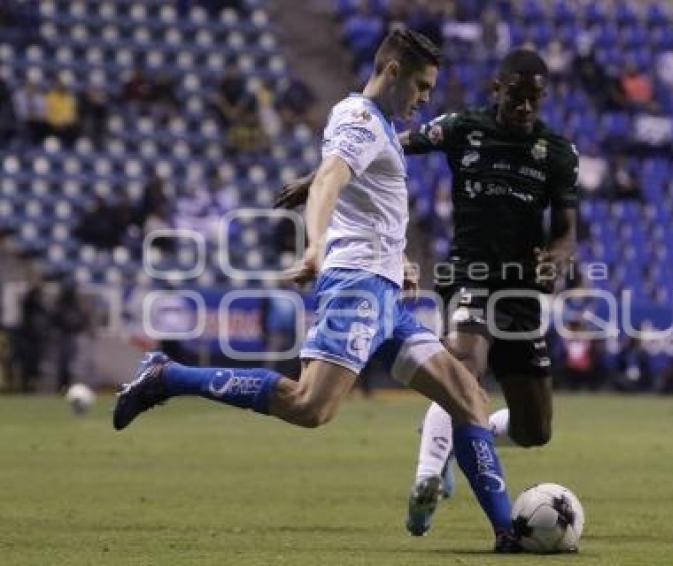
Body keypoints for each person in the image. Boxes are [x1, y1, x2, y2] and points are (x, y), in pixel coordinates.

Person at [113, 29, 521, 552]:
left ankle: (507, 534)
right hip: (355, 287)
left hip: (383, 292)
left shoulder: (382, 128)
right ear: (392, 72)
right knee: (310, 406)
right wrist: (317, 243)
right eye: (421, 84)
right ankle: (167, 376)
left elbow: (363, 199)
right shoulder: (359, 119)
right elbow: (331, 178)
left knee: (469, 397)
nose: (425, 97)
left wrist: (396, 261)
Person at [276, 48, 580, 537]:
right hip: (469, 274)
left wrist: (557, 259)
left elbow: (566, 231)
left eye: (535, 100)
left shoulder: (558, 153)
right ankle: (429, 475)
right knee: (462, 366)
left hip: (521, 292)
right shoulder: (463, 127)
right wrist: (316, 180)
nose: (525, 107)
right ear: (497, 89)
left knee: (534, 430)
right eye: (517, 97)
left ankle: (458, 438)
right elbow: (388, 144)